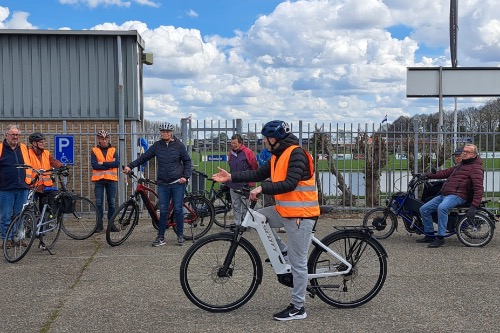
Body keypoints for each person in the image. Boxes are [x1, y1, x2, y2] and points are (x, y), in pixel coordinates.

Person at [212, 120, 319, 321]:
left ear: (273, 139)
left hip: (301, 214)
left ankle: (298, 308)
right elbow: (258, 173)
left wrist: (262, 188)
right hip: (285, 210)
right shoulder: (278, 156)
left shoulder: (296, 154)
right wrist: (230, 177)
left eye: (264, 139)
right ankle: (283, 250)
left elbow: (290, 183)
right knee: (257, 217)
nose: (263, 142)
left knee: (298, 263)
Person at [123, 122, 192, 247]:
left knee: (177, 209)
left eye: (167, 131)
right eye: (163, 131)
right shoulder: (157, 146)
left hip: (177, 182)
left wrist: (185, 177)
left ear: (171, 133)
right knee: (164, 210)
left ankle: (180, 235)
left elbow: (187, 161)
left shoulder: (179, 145)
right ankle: (161, 237)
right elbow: (144, 158)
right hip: (163, 183)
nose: (165, 133)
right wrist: (130, 166)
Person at [417, 143, 483, 248]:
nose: (464, 154)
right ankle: (429, 234)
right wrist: (427, 175)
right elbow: (444, 173)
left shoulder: (476, 169)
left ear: (474, 154)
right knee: (424, 209)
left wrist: (474, 205)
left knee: (442, 208)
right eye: (464, 151)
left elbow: (479, 188)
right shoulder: (461, 165)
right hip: (445, 194)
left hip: (458, 196)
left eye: (467, 152)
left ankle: (440, 237)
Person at [0, 125, 32, 248]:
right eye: (13, 134)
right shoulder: (1, 148)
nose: (15, 137)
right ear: (6, 135)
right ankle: (6, 239)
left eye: (17, 134)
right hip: (5, 188)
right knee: (6, 216)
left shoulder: (23, 148)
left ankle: (18, 238)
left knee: (20, 215)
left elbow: (29, 165)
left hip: (22, 187)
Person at [91, 130, 120, 233]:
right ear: (98, 139)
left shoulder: (113, 150)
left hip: (111, 180)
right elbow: (94, 165)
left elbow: (116, 164)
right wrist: (109, 164)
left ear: (108, 139)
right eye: (102, 139)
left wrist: (102, 163)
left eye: (106, 138)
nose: (104, 141)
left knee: (111, 203)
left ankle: (111, 225)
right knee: (99, 203)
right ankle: (99, 225)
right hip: (99, 181)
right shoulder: (94, 150)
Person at [226, 134, 258, 226]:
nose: (233, 145)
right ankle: (237, 223)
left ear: (240, 143)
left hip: (245, 183)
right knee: (235, 205)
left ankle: (246, 223)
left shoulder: (248, 152)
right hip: (233, 183)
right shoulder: (231, 153)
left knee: (246, 205)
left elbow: (254, 166)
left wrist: (251, 180)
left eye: (235, 143)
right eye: (232, 143)